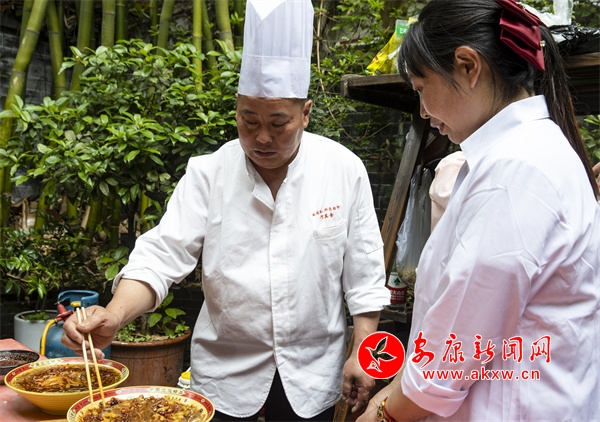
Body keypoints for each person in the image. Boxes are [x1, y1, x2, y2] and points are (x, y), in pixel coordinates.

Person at [62, 0, 390, 420]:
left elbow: (364, 274)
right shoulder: (209, 172)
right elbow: (161, 256)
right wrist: (113, 314)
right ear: (236, 108)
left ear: (306, 114)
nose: (262, 137)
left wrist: (364, 350)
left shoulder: (343, 168)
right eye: (249, 120)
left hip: (313, 373)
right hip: (225, 376)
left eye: (278, 123)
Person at [358, 0, 600, 421]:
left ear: (468, 66)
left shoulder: (516, 168)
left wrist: (383, 414)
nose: (423, 111)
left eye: (421, 88)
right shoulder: (521, 154)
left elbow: (452, 352)